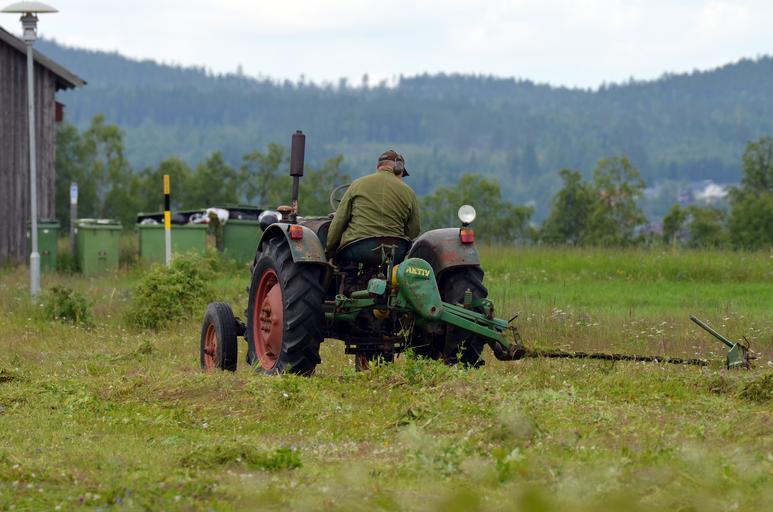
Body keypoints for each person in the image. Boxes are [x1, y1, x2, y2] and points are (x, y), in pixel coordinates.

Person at [326, 150, 421, 256]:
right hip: (394, 251)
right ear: (399, 169)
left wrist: (329, 249)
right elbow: (414, 230)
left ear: (378, 167)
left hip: (357, 248)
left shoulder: (357, 184)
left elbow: (339, 221)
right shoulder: (409, 192)